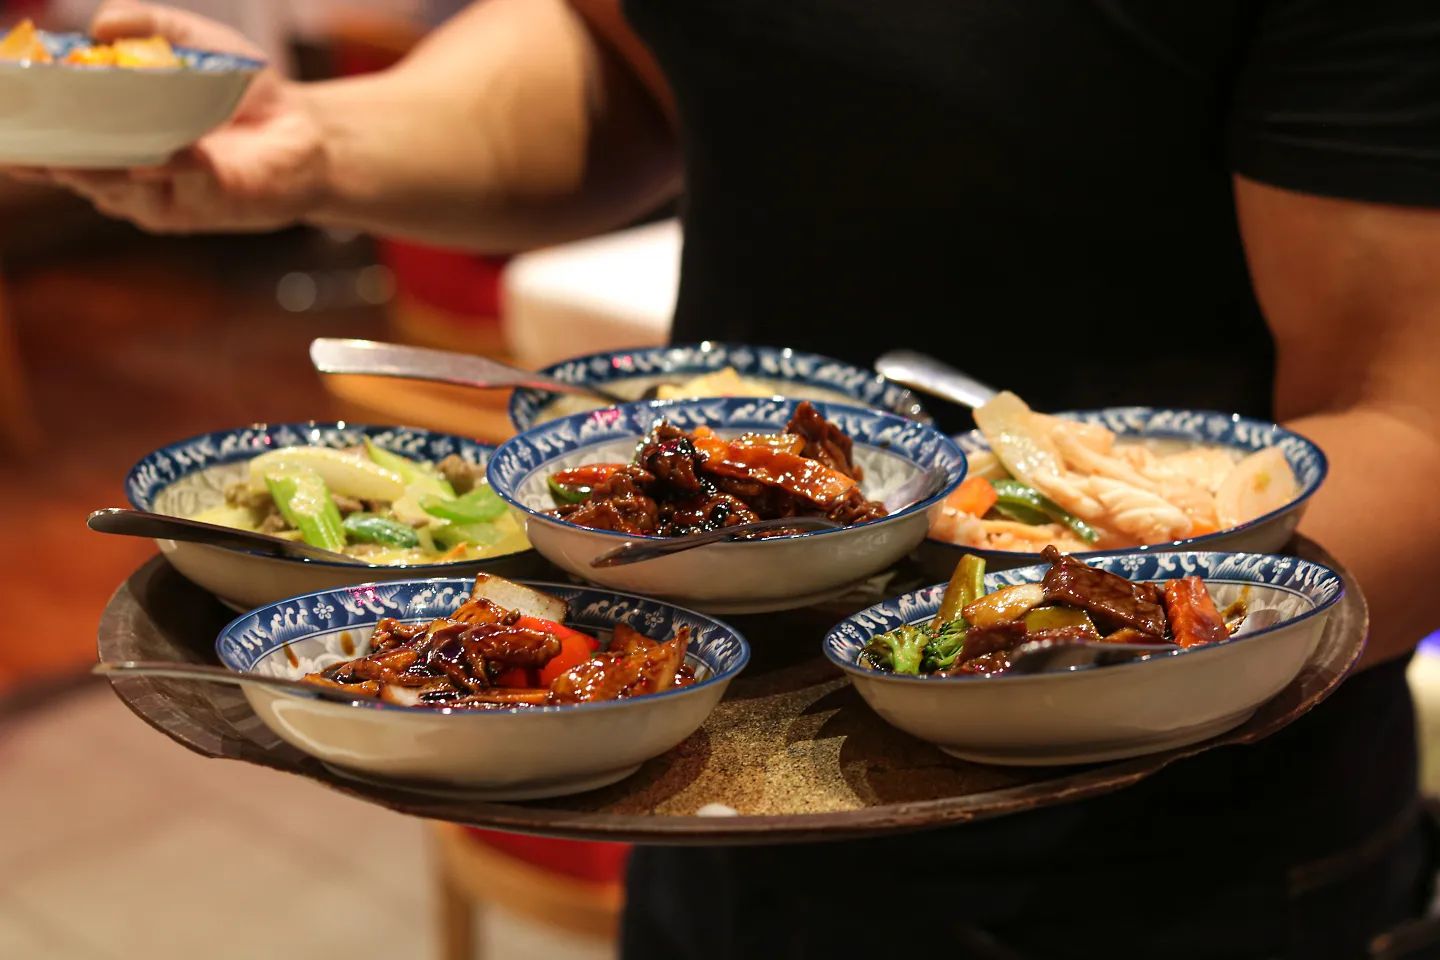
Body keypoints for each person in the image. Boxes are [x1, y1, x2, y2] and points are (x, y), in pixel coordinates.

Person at [15, 1, 1440, 956]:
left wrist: (1017, 638)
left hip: (1167, 862)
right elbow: (622, 54)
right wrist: (320, 140)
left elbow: (1417, 423)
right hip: (710, 754)